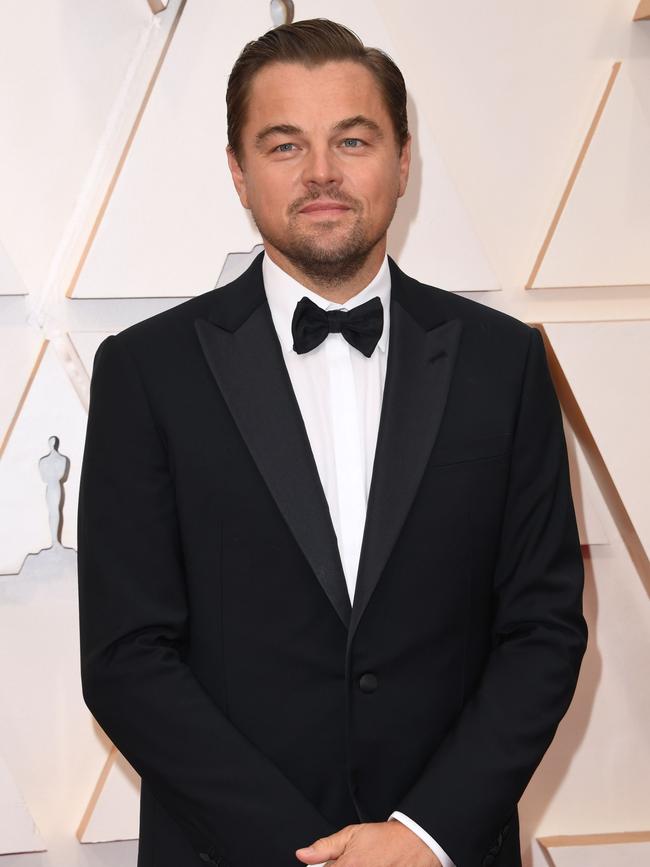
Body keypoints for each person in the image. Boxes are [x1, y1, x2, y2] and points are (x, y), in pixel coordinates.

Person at [77, 18, 587, 867]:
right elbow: (126, 657)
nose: (321, 172)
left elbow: (543, 630)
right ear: (239, 172)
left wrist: (424, 835)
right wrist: (296, 852)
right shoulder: (145, 372)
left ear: (403, 159)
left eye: (352, 139)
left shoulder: (505, 362)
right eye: (284, 145)